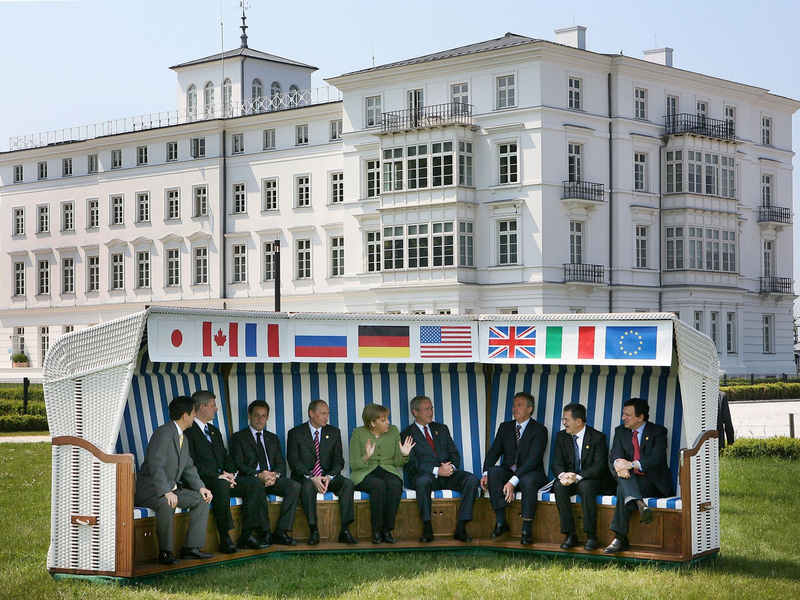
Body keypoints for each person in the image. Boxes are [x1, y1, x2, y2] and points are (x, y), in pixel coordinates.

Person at [184, 391, 271, 553]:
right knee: (221, 485)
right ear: (202, 407)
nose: (216, 409)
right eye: (213, 405)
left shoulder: (213, 431)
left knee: (254, 483)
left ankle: (246, 535)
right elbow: (190, 462)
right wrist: (218, 476)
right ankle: (225, 538)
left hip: (223, 479)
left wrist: (231, 474)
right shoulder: (188, 431)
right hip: (203, 481)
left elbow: (225, 456)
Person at [134, 395, 214, 565]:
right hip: (150, 490)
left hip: (170, 489)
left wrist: (201, 488)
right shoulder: (163, 433)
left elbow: (189, 466)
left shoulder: (182, 437)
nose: (194, 416)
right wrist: (167, 491)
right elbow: (157, 466)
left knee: (201, 499)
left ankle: (191, 547)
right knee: (166, 502)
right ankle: (165, 552)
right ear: (185, 415)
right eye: (193, 413)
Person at [400, 395, 479, 543]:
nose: (430, 412)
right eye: (426, 409)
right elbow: (412, 464)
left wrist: (451, 467)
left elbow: (455, 454)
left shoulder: (441, 429)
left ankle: (462, 527)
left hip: (448, 474)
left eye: (431, 408)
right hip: (426, 475)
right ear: (415, 412)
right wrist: (437, 470)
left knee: (472, 480)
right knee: (422, 482)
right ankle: (427, 528)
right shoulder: (407, 434)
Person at [604, 397, 674, 554]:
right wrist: (619, 465)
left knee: (623, 487)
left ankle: (620, 538)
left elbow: (656, 458)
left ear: (640, 417)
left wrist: (631, 465)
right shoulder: (620, 431)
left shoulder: (658, 432)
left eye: (627, 415)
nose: (623, 418)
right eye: (623, 414)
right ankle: (640, 505)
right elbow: (615, 454)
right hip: (629, 479)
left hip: (652, 482)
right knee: (622, 478)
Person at [286, 399, 358, 545]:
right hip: (306, 477)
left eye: (328, 414)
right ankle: (314, 530)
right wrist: (312, 477)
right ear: (311, 413)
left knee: (348, 484)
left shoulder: (334, 432)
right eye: (323, 413)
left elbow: (339, 461)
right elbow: (294, 462)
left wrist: (329, 477)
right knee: (306, 487)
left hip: (327, 477)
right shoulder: (296, 433)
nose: (326, 417)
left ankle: (345, 530)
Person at [480, 391, 548, 545]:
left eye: (519, 405)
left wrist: (513, 481)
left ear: (530, 409)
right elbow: (494, 452)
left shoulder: (539, 430)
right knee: (494, 472)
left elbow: (533, 460)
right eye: (514, 405)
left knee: (528, 481)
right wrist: (485, 473)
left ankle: (526, 530)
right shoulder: (505, 427)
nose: (514, 408)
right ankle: (501, 523)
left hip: (532, 472)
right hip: (509, 470)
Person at [229, 400, 300, 546]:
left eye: (264, 416)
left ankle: (281, 531)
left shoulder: (272, 438)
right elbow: (238, 464)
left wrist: (275, 475)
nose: (260, 419)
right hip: (252, 479)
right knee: (257, 485)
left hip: (270, 479)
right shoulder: (238, 437)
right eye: (256, 415)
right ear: (249, 416)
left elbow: (280, 463)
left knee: (294, 486)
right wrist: (257, 475)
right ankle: (266, 532)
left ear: (268, 417)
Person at [550, 402, 614, 551]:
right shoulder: (561, 437)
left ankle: (591, 535)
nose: (564, 423)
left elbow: (599, 467)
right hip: (571, 480)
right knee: (558, 486)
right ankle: (570, 534)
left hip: (595, 480)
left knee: (585, 486)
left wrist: (577, 477)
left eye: (566, 419)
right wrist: (563, 475)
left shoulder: (598, 438)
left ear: (578, 421)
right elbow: (556, 463)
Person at [349, 403, 415, 544]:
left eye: (387, 418)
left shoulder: (393, 431)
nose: (388, 422)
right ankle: (376, 530)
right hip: (364, 472)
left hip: (387, 469)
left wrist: (404, 455)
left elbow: (397, 461)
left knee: (395, 484)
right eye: (383, 420)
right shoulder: (358, 433)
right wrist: (366, 456)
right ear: (372, 423)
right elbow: (353, 463)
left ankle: (387, 530)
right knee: (378, 485)